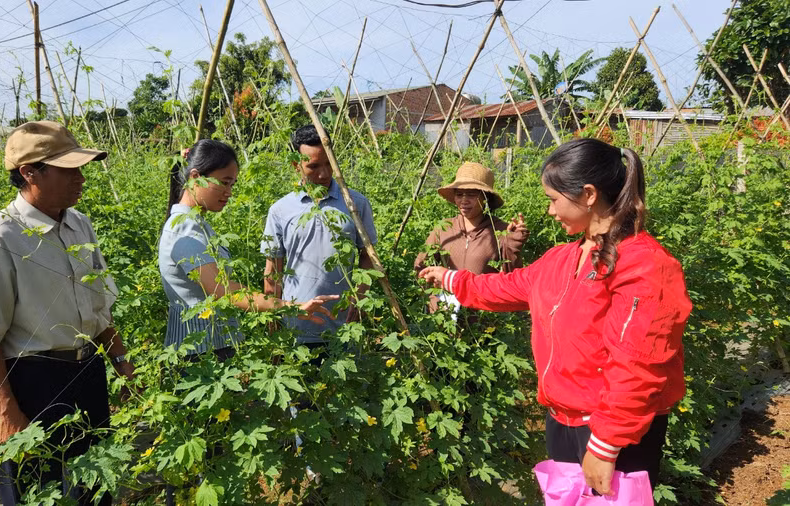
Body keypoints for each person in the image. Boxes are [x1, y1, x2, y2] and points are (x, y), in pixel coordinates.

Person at [419, 138, 691, 496]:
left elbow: (638, 363)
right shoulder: (563, 258)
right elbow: (510, 286)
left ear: (588, 195)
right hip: (563, 420)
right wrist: (451, 279)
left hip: (612, 430)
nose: (550, 211)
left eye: (553, 199)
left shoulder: (643, 264)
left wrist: (606, 444)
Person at [0, 121, 135, 506]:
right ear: (29, 172)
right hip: (32, 381)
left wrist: (121, 362)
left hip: (88, 372)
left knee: (96, 486)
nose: (81, 178)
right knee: (37, 489)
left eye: (81, 169)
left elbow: (99, 307)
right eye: (68, 170)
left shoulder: (79, 224)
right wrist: (6, 412)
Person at [159, 139, 335, 360]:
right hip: (199, 355)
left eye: (232, 185)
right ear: (195, 177)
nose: (229, 192)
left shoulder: (197, 224)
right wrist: (292, 307)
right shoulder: (184, 230)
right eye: (224, 182)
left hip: (214, 347)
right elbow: (223, 291)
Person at [261, 125, 377, 348]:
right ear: (296, 165)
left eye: (328, 164)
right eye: (313, 166)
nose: (323, 174)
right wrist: (273, 320)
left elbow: (368, 256)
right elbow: (273, 270)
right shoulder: (280, 210)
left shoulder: (355, 204)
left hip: (344, 326)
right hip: (296, 325)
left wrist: (360, 296)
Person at [414, 161, 529, 314]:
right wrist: (431, 288)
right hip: (444, 314)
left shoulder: (500, 230)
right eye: (459, 194)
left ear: (485, 198)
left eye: (471, 194)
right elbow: (420, 267)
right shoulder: (443, 228)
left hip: (482, 317)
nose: (464, 200)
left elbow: (512, 281)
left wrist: (513, 245)